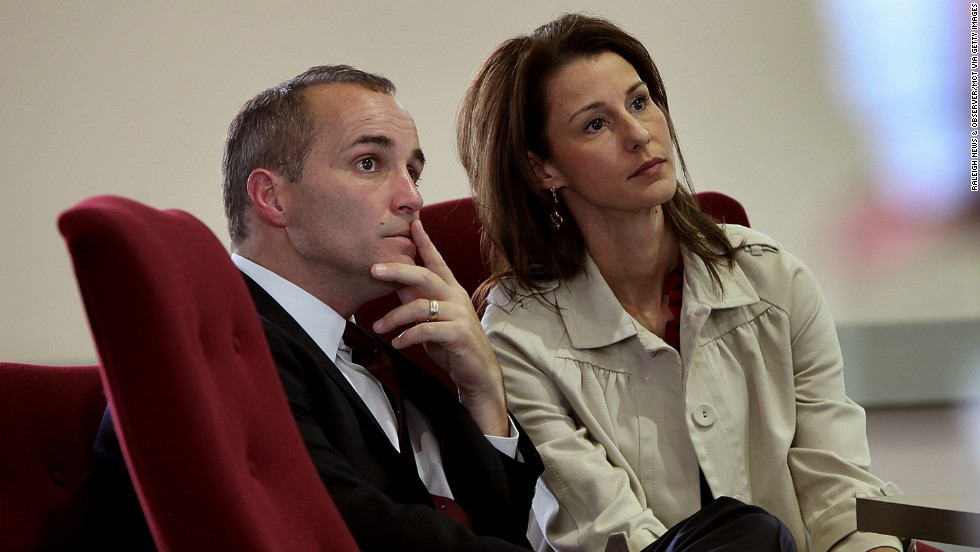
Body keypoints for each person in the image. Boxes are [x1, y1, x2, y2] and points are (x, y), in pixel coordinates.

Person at [456, 13, 905, 552]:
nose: (639, 133)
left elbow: (839, 492)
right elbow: (607, 528)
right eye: (595, 124)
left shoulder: (775, 279)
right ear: (543, 170)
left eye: (640, 101)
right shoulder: (518, 334)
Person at [64, 65, 543, 552]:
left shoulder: (381, 355)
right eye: (369, 163)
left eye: (413, 172)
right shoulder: (218, 353)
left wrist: (482, 392)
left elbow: (503, 528)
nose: (413, 198)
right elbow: (341, 530)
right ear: (272, 197)